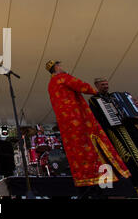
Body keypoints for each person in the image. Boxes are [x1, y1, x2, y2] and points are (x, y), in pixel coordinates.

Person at [45, 60, 131, 197]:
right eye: (59, 65)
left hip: (66, 126)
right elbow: (81, 86)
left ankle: (85, 182)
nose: (61, 67)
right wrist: (95, 92)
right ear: (56, 67)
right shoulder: (63, 77)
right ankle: (105, 184)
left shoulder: (50, 85)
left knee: (77, 154)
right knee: (92, 149)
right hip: (79, 120)